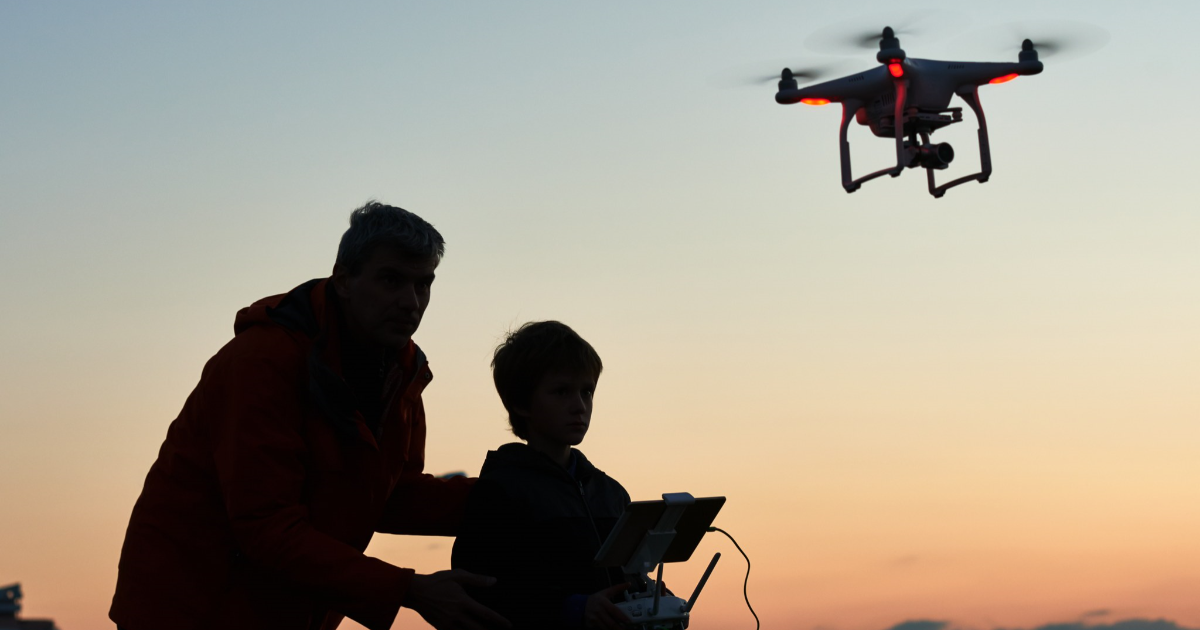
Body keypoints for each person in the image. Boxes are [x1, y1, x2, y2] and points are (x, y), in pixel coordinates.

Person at [110, 202, 510, 630]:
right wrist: (409, 590)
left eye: (423, 284)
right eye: (391, 280)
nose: (411, 302)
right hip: (190, 612)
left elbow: (389, 497)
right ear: (344, 280)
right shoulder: (262, 362)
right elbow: (265, 526)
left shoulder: (401, 370)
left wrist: (527, 498)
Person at [451, 321, 634, 630]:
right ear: (521, 404)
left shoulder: (611, 493)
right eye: (561, 392)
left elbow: (626, 578)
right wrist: (574, 609)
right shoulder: (499, 491)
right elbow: (484, 590)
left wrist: (650, 598)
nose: (579, 406)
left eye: (587, 391)